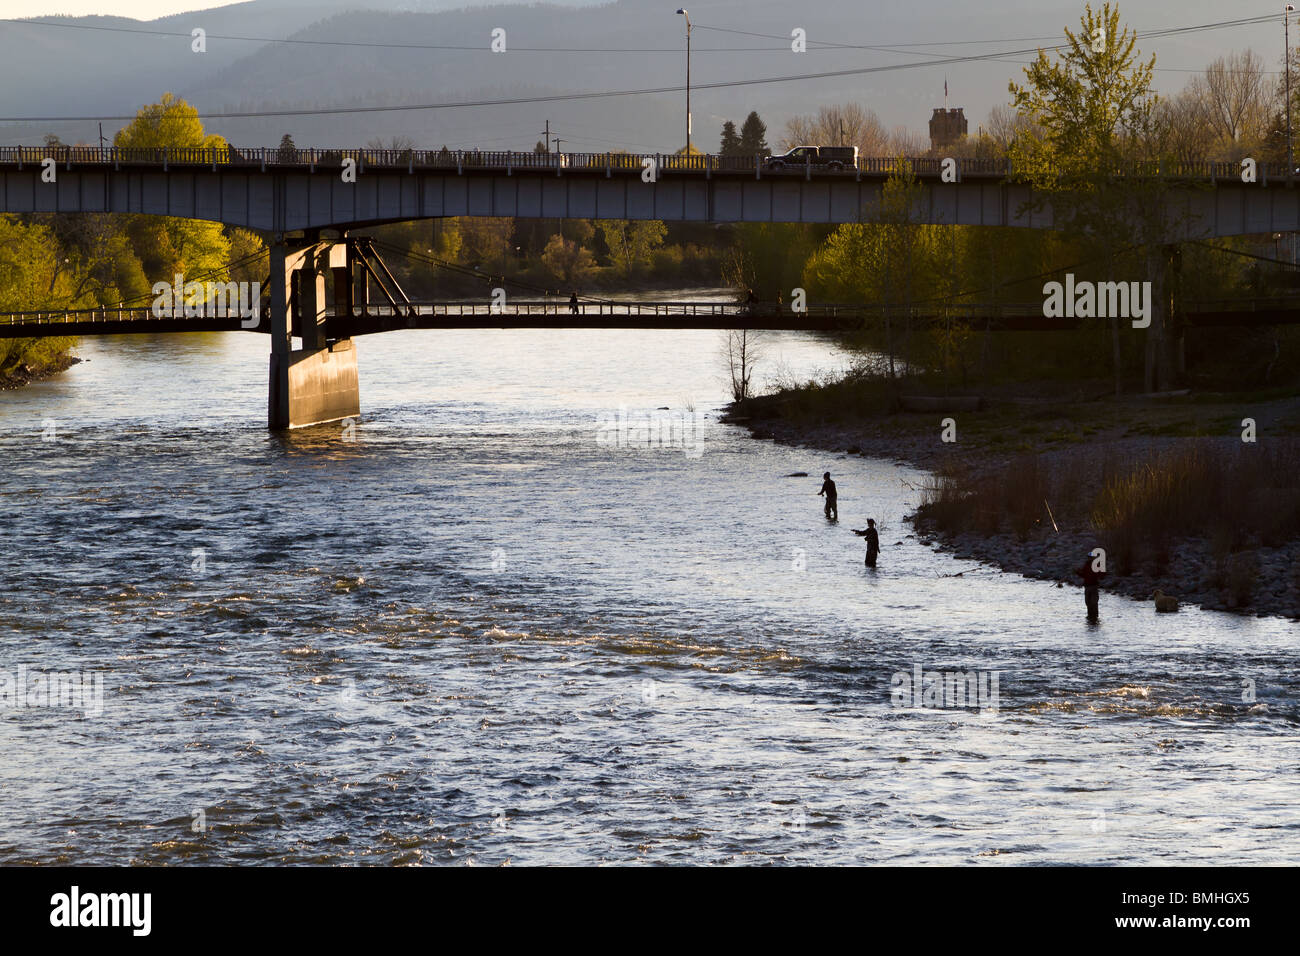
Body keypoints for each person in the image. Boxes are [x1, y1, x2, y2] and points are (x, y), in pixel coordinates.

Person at [1077, 554, 1106, 621]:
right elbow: (1083, 575)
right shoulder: (1086, 565)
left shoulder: (1096, 565)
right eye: (1089, 557)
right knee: (1088, 603)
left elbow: (1101, 575)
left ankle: (1094, 617)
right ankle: (1090, 616)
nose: (1090, 559)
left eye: (1091, 557)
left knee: (1094, 602)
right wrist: (1077, 572)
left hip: (1093, 586)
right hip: (1087, 586)